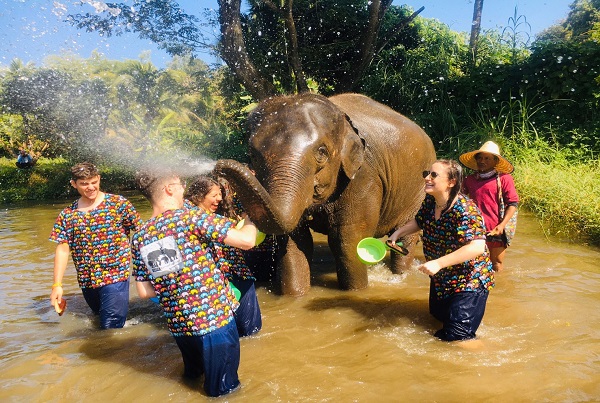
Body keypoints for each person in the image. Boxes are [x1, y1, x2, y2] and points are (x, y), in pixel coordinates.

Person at [132, 169, 257, 397]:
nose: (183, 190)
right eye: (180, 185)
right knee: (223, 392)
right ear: (169, 188)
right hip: (214, 322)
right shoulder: (190, 217)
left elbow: (144, 291)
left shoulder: (140, 235)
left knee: (192, 380)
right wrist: (251, 218)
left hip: (180, 327)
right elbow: (247, 241)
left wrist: (176, 284)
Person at [388, 159, 494, 342]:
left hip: (469, 281)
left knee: (457, 338)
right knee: (435, 320)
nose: (427, 178)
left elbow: (477, 247)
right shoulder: (431, 202)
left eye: (434, 175)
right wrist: (397, 233)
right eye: (427, 174)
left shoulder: (465, 209)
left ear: (451, 182)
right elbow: (420, 221)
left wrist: (439, 262)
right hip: (443, 279)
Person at [49, 162, 141, 329]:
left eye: (94, 182)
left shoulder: (118, 204)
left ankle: (112, 353)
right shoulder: (68, 215)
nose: (90, 187)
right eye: (84, 184)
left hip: (115, 274)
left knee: (110, 327)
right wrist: (57, 285)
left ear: (99, 179)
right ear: (74, 184)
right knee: (99, 318)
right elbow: (62, 250)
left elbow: (142, 232)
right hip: (87, 279)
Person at [185, 175, 263, 337]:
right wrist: (250, 221)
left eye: (220, 194)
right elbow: (244, 239)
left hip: (211, 285)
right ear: (198, 196)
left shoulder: (181, 215)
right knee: (250, 331)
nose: (219, 199)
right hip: (233, 275)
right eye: (214, 195)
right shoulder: (204, 219)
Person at [459, 141, 519, 272]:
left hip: (496, 229)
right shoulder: (470, 179)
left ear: (495, 162)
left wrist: (502, 226)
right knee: (473, 264)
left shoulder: (504, 178)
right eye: (480, 158)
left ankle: (498, 290)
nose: (482, 161)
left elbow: (513, 203)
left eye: (487, 158)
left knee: (496, 264)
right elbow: (459, 201)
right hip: (475, 227)